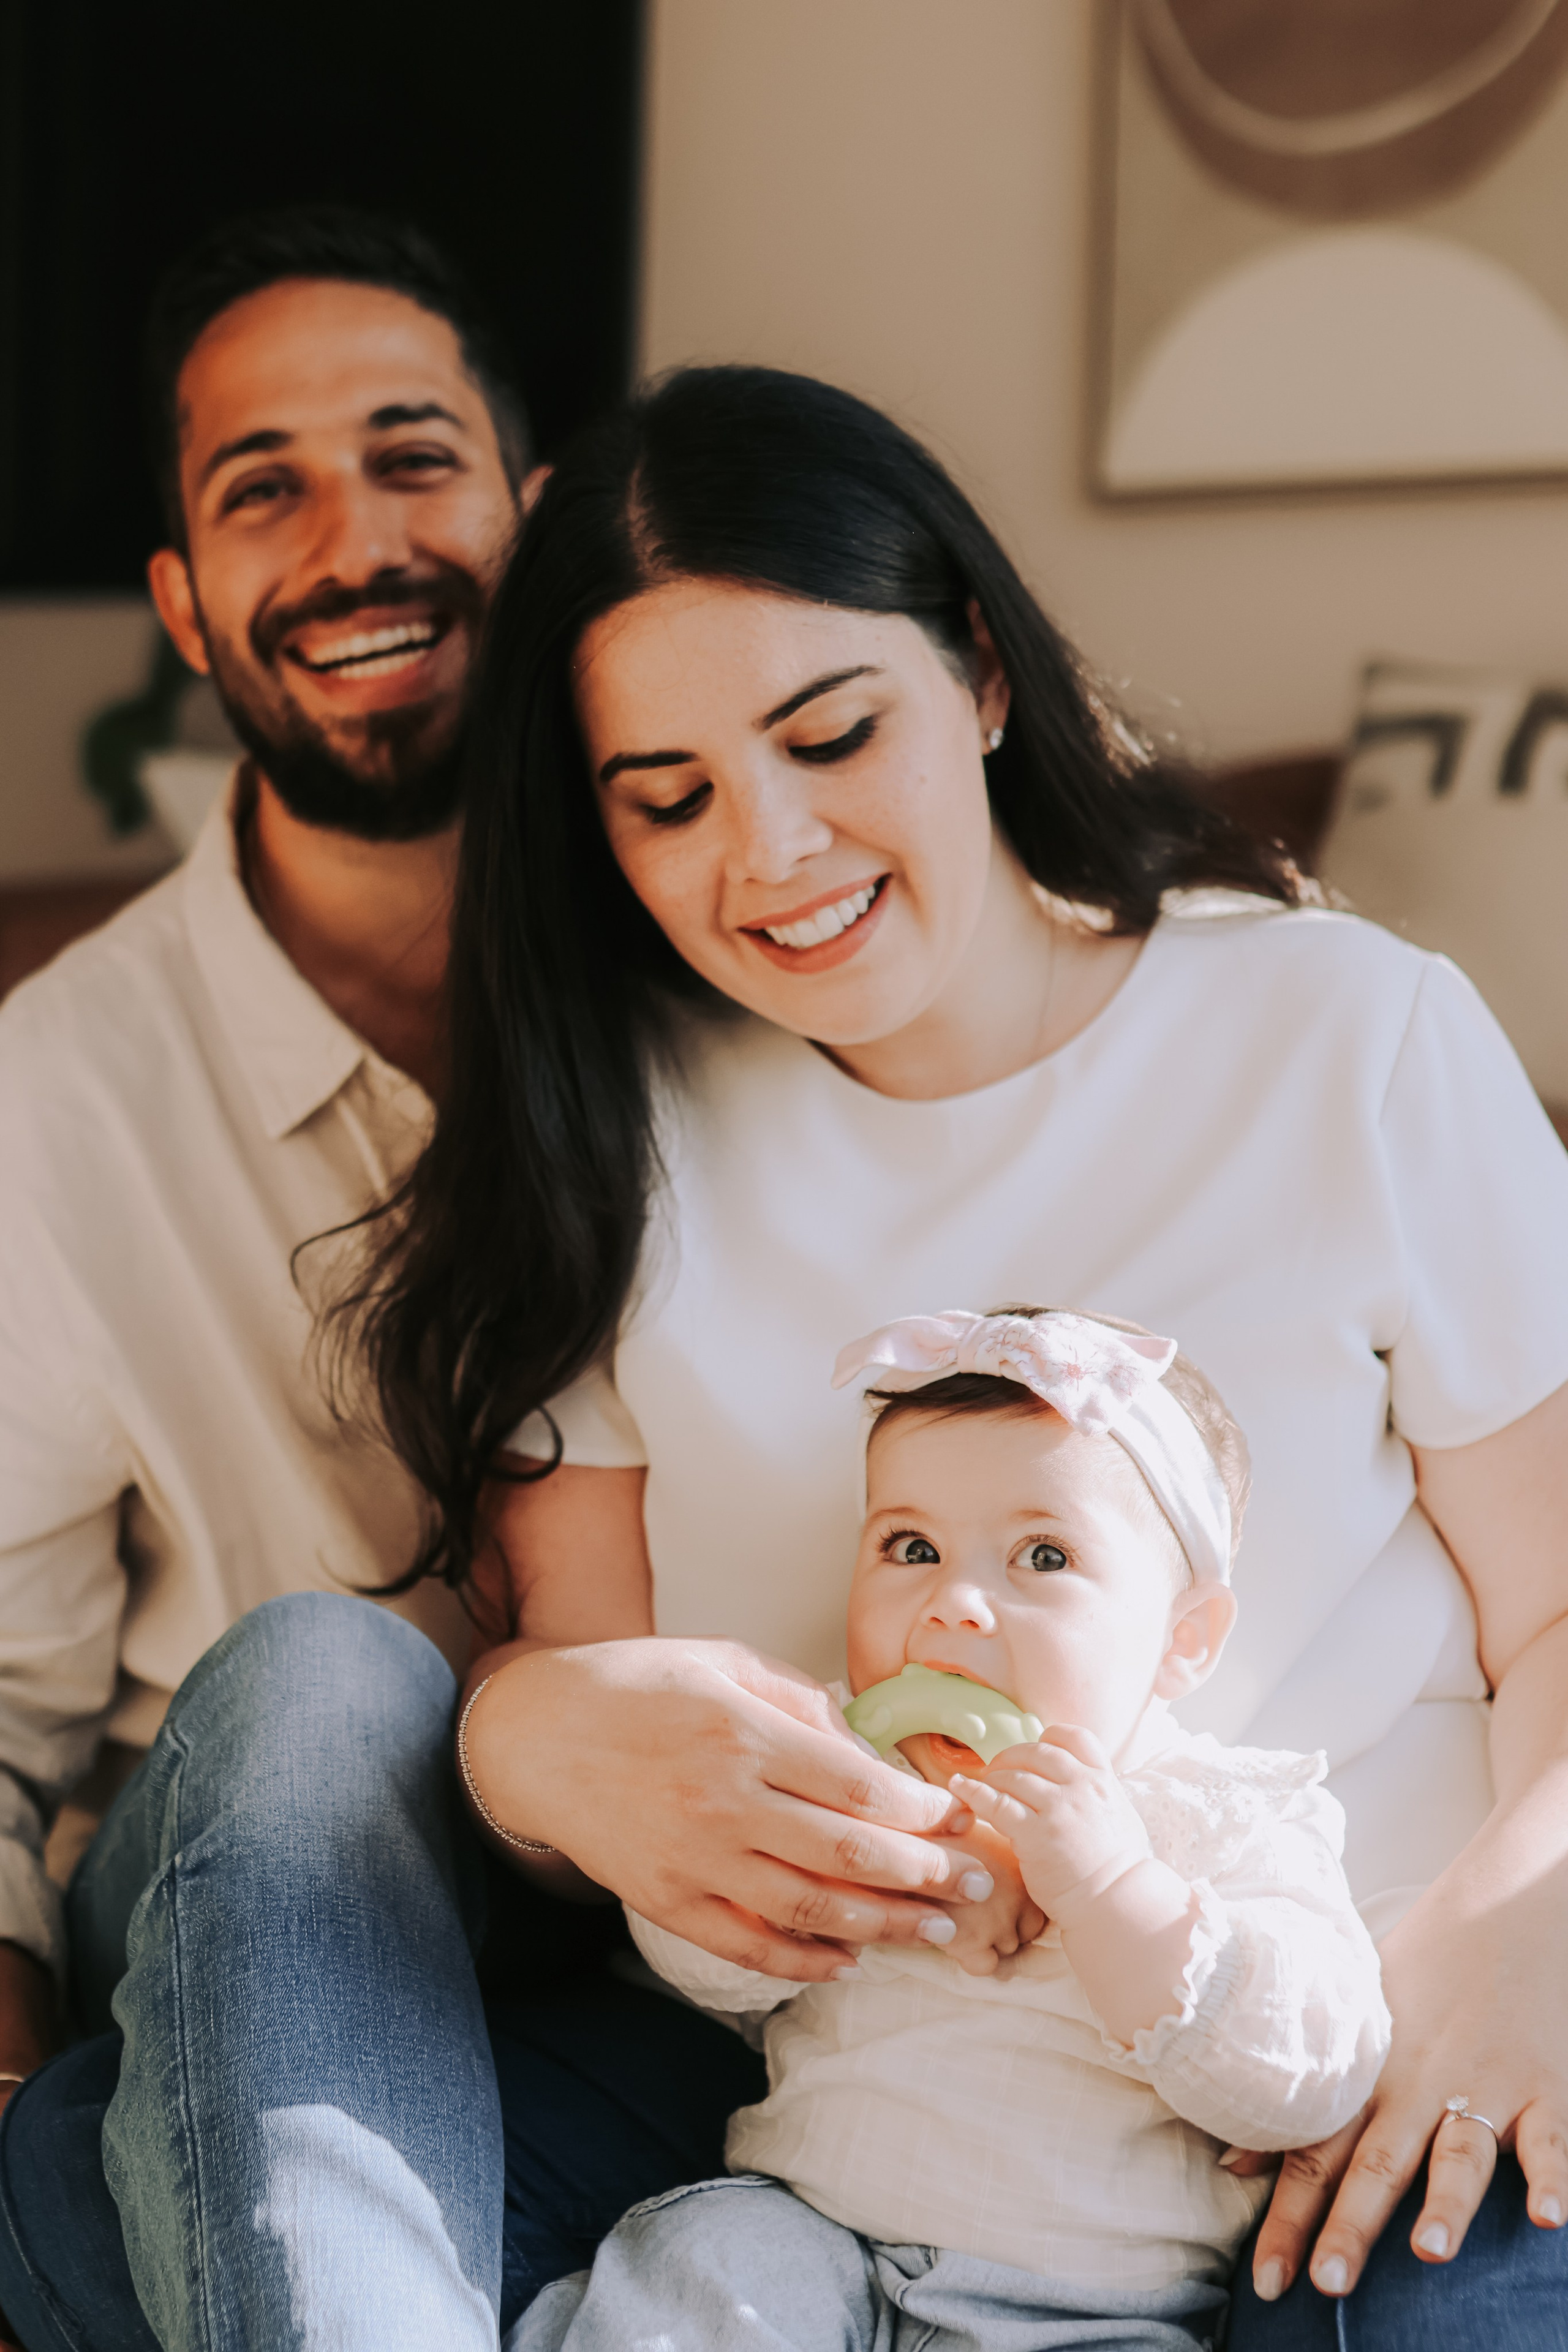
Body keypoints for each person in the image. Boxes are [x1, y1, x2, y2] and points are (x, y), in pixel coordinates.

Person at [359, 364, 1568, 2348]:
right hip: (865, 2059)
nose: (772, 858)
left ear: (984, 672)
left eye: (833, 735)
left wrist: (1521, 1945)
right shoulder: (613, 1138)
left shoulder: (1347, 1037)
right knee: (74, 2155)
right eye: (666, 800)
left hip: (1333, 2024)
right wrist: (527, 1737)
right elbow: (577, 1692)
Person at [0, 206, 676, 2351]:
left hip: (668, 1902)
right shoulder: (48, 1098)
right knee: (325, 1681)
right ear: (187, 605)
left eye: (412, 455)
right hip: (239, 1881)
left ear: (534, 510)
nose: (354, 539)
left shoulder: (741, 944)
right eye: (261, 487)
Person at [511, 1305, 1390, 2352]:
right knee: (700, 2275)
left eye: (1043, 1557)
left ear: (1182, 1639)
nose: (956, 1604)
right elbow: (698, 1953)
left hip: (1087, 2310)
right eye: (912, 1546)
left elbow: (1314, 2072)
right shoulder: (831, 1756)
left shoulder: (1216, 1811)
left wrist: (1113, 1894)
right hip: (804, 2236)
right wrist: (856, 1862)